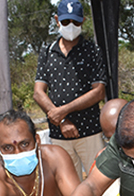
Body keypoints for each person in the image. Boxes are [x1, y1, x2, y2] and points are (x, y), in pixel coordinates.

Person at [33, 0, 107, 180]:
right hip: (59, 134)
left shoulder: (92, 50)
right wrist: (62, 120)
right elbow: (38, 92)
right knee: (69, 186)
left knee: (99, 181)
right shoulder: (47, 51)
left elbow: (99, 91)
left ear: (83, 21)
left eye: (75, 22)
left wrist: (64, 110)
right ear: (57, 20)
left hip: (90, 131)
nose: (71, 26)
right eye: (66, 22)